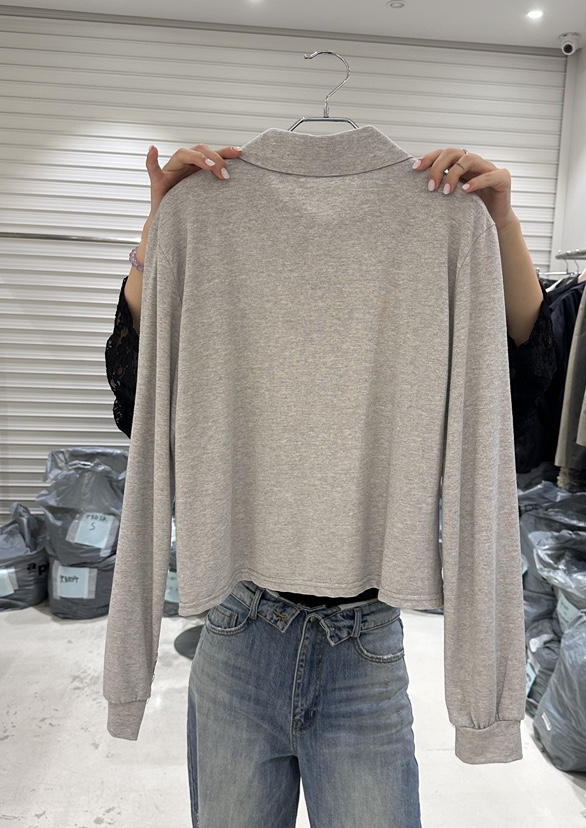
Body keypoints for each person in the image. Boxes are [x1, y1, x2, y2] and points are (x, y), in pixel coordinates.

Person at [105, 138, 556, 828]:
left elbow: (512, 414)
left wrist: (500, 222)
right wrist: (159, 230)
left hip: (363, 645)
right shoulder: (198, 215)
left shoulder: (447, 219)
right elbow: (135, 401)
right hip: (237, 629)